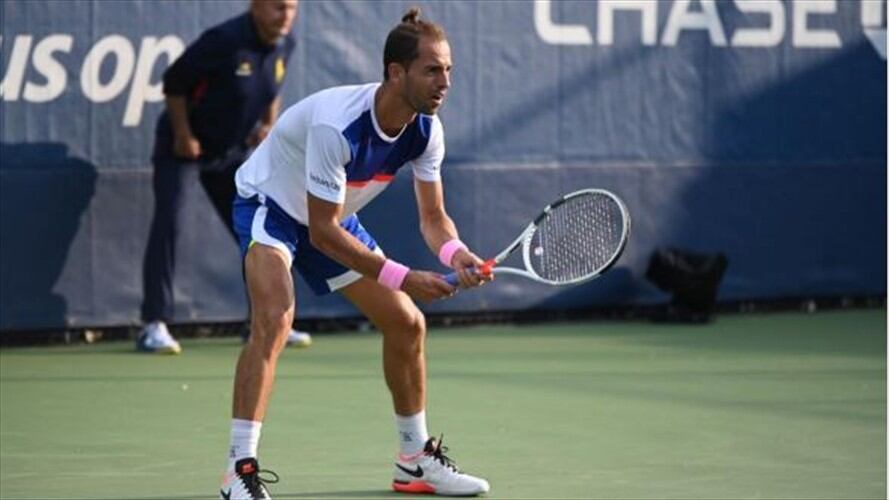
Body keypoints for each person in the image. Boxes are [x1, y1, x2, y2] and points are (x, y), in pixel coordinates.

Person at [219, 7, 492, 499]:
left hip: (331, 214)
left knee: (407, 323)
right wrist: (404, 277)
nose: (445, 82)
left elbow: (433, 218)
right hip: (271, 205)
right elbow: (323, 235)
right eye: (432, 70)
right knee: (275, 319)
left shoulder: (426, 130)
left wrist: (456, 254)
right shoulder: (338, 125)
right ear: (396, 72)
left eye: (449, 70)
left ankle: (413, 460)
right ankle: (238, 471)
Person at [137, 0, 312, 354]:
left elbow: (272, 87)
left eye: (292, 8)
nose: (286, 16)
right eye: (278, 8)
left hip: (230, 153)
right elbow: (174, 82)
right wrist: (183, 134)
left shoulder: (286, 43)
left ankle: (268, 320)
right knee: (169, 223)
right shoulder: (223, 39)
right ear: (257, 6)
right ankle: (154, 324)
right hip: (183, 148)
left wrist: (268, 123)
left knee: (261, 230)